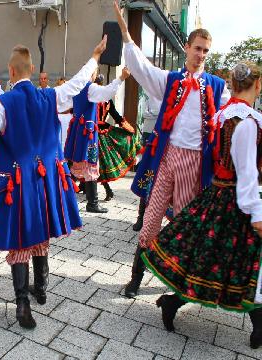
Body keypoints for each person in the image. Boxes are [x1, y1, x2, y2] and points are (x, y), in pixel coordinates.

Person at [0, 37, 109, 329]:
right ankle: (40, 286)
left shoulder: (4, 103)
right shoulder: (50, 95)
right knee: (39, 233)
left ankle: (23, 303)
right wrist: (93, 57)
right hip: (47, 180)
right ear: (31, 69)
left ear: (11, 72)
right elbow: (79, 83)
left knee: (19, 239)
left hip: (17, 182)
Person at [112, 1, 231, 298]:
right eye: (197, 48)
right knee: (151, 218)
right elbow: (141, 67)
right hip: (168, 157)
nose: (201, 54)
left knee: (185, 224)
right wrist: (126, 33)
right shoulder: (171, 80)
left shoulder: (217, 87)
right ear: (187, 47)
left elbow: (233, 114)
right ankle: (136, 278)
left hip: (195, 163)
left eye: (205, 50)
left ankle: (180, 284)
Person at [142, 62, 262, 349]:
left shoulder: (224, 115)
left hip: (220, 196)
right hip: (236, 201)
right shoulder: (245, 122)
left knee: (218, 261)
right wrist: (256, 212)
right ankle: (173, 302)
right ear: (257, 85)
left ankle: (257, 325)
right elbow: (245, 173)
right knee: (234, 262)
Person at [64, 68, 129, 213]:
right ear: (92, 74)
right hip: (88, 134)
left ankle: (63, 196)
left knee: (77, 164)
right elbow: (109, 91)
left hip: (78, 132)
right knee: (90, 164)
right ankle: (91, 203)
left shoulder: (75, 87)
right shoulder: (90, 88)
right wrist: (121, 78)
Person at [94, 74, 142, 202]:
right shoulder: (107, 98)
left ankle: (107, 190)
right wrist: (128, 128)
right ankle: (86, 186)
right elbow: (116, 116)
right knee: (101, 163)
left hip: (92, 132)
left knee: (94, 162)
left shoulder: (91, 96)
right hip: (103, 131)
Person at [132, 94, 161, 231]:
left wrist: (154, 114)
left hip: (164, 138)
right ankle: (141, 217)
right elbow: (144, 113)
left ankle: (155, 219)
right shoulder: (149, 95)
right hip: (149, 134)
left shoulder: (171, 96)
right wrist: (156, 114)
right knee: (146, 175)